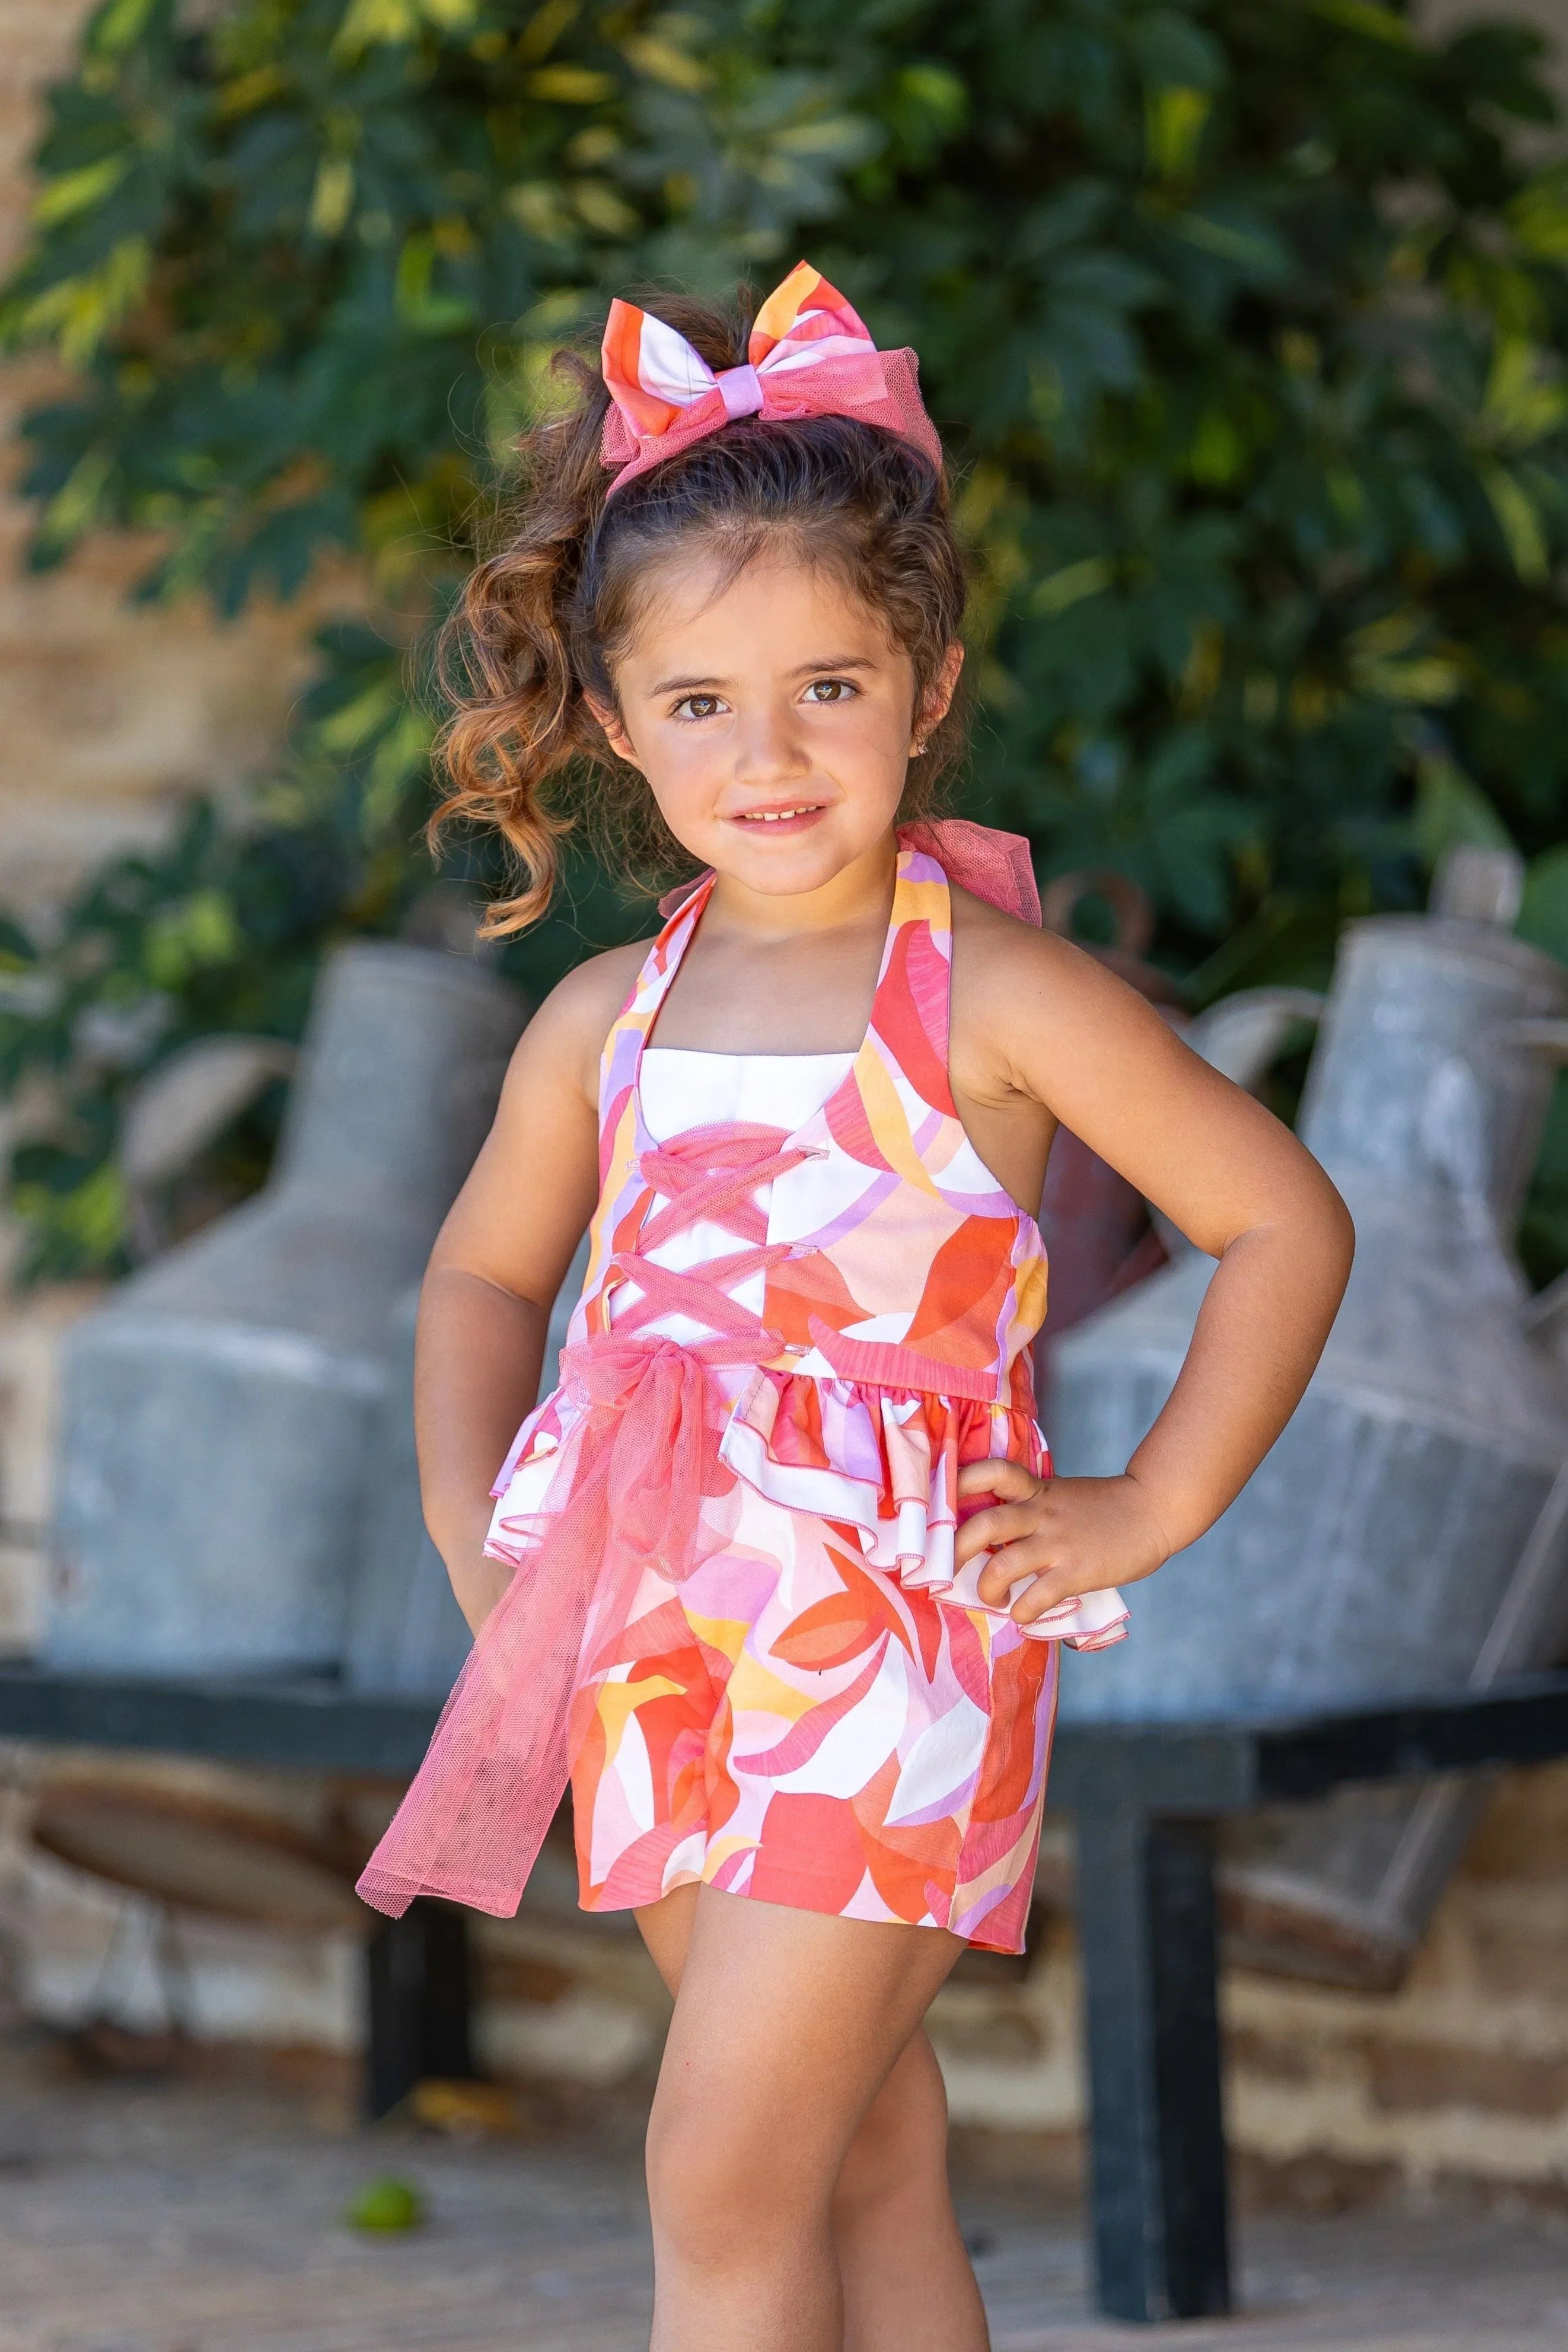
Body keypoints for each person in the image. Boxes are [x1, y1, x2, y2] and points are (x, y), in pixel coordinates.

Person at [358, 264, 1353, 2351]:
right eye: (700, 703)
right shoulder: (603, 1015)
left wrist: (1148, 1505)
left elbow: (1279, 1221)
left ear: (927, 684)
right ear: (612, 720)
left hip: (886, 1643)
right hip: (645, 1640)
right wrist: (469, 1520)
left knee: (720, 2169)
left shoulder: (996, 993)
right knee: (858, 2157)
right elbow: (483, 1272)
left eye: (828, 683)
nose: (770, 751)